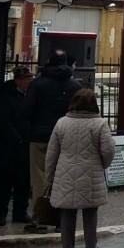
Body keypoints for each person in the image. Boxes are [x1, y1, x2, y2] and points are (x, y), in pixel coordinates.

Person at [45, 89, 114, 248]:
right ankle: (91, 247)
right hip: (91, 172)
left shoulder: (62, 123)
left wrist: (49, 177)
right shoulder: (99, 124)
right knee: (90, 211)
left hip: (65, 172)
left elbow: (52, 153)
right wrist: (102, 164)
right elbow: (108, 150)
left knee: (67, 212)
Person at [24, 51, 81, 232]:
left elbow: (27, 110)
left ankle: (40, 218)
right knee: (62, 176)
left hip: (39, 136)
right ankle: (60, 220)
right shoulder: (74, 86)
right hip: (65, 137)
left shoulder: (38, 84)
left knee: (39, 177)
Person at [0, 66, 34, 226]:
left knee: (23, 182)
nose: (29, 82)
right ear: (18, 80)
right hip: (8, 147)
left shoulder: (29, 96)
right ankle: (0, 214)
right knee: (4, 182)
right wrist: (16, 139)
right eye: (27, 79)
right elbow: (3, 121)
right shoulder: (6, 96)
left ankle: (20, 212)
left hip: (25, 144)